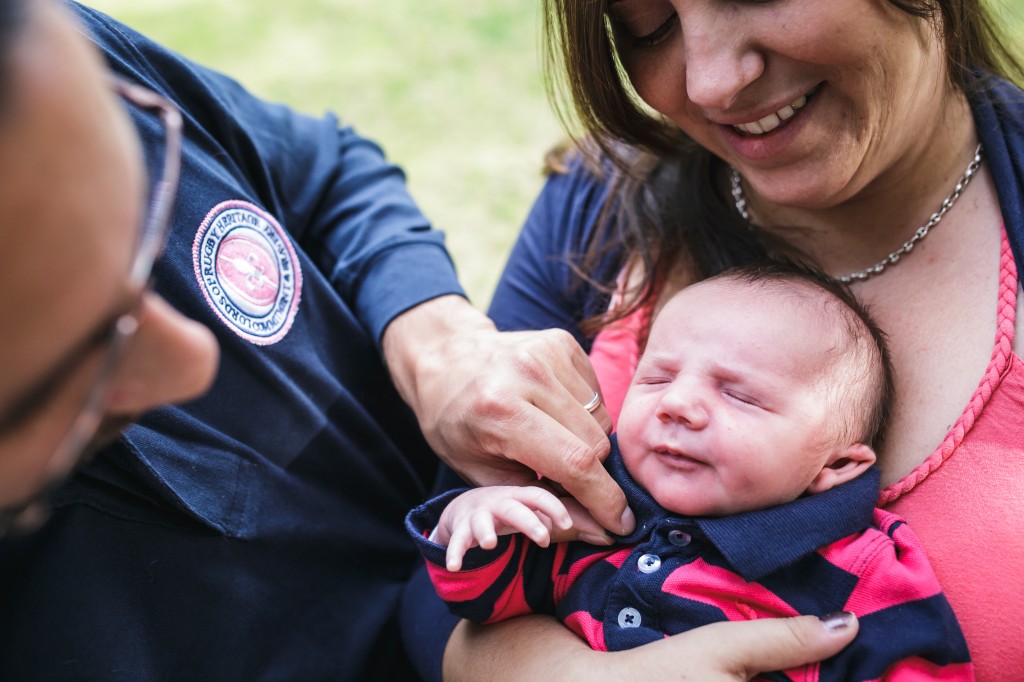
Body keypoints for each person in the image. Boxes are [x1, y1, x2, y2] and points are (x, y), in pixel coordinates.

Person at [0, 0, 864, 680]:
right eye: (87, 363)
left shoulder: (45, 55)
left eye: (150, 236)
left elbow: (327, 170)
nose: (194, 353)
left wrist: (438, 345)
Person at [404, 0, 1024, 679]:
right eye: (648, 28)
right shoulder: (600, 203)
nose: (709, 85)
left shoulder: (871, 581)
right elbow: (436, 589)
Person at [409, 264, 972, 681]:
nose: (677, 404)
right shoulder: (594, 506)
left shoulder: (862, 569)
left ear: (836, 465)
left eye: (740, 396)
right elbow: (482, 606)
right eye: (656, 379)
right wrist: (478, 521)